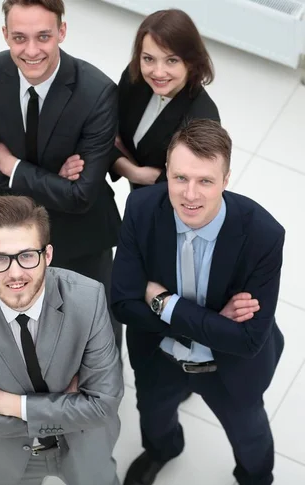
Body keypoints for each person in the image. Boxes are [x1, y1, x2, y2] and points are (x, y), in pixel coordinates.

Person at [111, 119, 284, 485]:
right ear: (167, 174)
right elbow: (123, 304)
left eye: (205, 180)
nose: (190, 195)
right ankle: (163, 449)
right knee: (154, 415)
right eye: (180, 178)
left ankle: (256, 478)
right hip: (160, 355)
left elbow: (249, 339)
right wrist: (213, 321)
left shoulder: (263, 235)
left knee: (249, 434)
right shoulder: (141, 209)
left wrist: (164, 302)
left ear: (226, 179)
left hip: (229, 368)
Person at [0, 0, 122, 349]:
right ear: (5, 34)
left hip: (81, 235)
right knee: (24, 325)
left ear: (62, 32)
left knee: (96, 328)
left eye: (44, 36)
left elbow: (81, 196)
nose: (31, 50)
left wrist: (12, 166)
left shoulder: (97, 92)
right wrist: (53, 178)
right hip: (13, 231)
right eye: (19, 37)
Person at [0, 195, 123, 485]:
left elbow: (102, 405)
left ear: (47, 255)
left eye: (27, 255)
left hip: (83, 444)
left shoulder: (89, 297)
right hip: (4, 453)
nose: (15, 273)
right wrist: (70, 405)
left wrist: (11, 405)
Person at [110, 9, 219, 190]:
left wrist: (121, 156)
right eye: (148, 59)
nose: (158, 72)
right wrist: (134, 172)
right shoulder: (134, 77)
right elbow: (102, 130)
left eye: (171, 61)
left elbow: (187, 185)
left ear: (191, 61)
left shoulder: (203, 119)